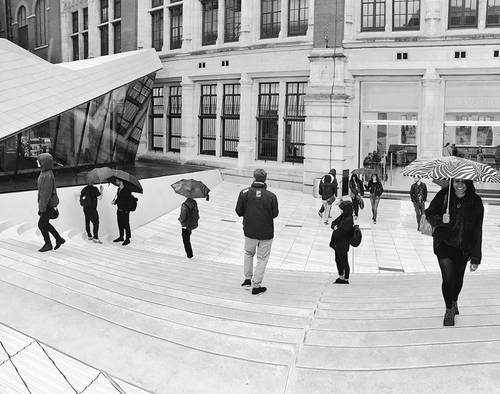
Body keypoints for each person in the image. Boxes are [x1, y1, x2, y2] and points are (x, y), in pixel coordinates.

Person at [425, 179, 484, 327]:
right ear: (452, 182)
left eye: (463, 182)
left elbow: (478, 230)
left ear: (469, 184)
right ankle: (449, 310)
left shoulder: (475, 202)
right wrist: (440, 219)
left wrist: (476, 257)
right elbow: (429, 213)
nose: (459, 185)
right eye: (457, 181)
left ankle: (454, 300)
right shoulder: (444, 195)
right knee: (448, 278)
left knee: (458, 280)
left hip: (463, 247)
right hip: (444, 244)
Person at [235, 169, 279, 295]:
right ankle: (257, 285)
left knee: (248, 253)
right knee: (262, 258)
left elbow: (238, 212)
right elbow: (275, 214)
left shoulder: (244, 193)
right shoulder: (271, 196)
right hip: (266, 232)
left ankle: (247, 279)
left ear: (253, 177)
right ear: (265, 179)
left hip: (249, 230)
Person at [36, 153, 65, 252]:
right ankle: (59, 239)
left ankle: (48, 244)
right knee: (44, 224)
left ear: (44, 162)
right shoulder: (45, 173)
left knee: (41, 224)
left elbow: (45, 194)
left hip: (48, 204)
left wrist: (42, 208)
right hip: (47, 204)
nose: (37, 162)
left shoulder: (47, 175)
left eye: (39, 160)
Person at [330, 201, 354, 284]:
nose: (340, 211)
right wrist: (335, 227)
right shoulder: (343, 216)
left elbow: (341, 231)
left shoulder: (349, 219)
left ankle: (346, 279)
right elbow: (333, 223)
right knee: (338, 260)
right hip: (337, 243)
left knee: (344, 261)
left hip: (343, 244)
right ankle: (341, 276)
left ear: (346, 209)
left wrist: (336, 228)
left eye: (341, 209)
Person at [112, 179, 132, 246]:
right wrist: (115, 202)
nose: (116, 182)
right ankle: (121, 237)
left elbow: (129, 201)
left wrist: (127, 211)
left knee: (126, 225)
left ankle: (128, 239)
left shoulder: (127, 190)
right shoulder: (118, 189)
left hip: (125, 211)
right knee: (120, 224)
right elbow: (118, 199)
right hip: (119, 209)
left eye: (117, 181)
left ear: (121, 181)